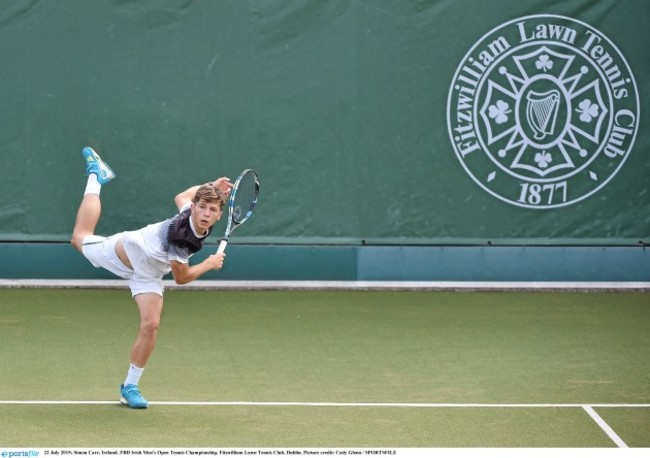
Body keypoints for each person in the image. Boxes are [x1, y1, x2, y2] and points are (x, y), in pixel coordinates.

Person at [70, 146, 232, 409]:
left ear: (219, 214)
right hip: (124, 254)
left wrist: (211, 185)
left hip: (149, 274)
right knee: (79, 237)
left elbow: (182, 195)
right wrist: (209, 264)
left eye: (212, 209)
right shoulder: (182, 237)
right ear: (194, 209)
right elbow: (182, 278)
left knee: (151, 325)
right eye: (202, 207)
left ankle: (130, 386)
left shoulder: (187, 211)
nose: (206, 214)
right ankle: (95, 176)